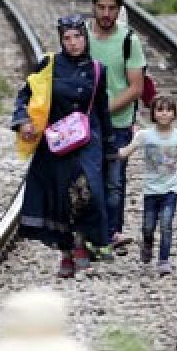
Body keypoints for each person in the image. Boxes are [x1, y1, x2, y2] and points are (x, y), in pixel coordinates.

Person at [12, 14, 115, 277]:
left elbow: (102, 110)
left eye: (78, 37)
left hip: (87, 138)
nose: (73, 43)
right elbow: (26, 94)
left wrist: (110, 146)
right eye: (67, 38)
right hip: (55, 139)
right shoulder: (49, 64)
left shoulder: (97, 69)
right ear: (61, 39)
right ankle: (68, 251)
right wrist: (23, 122)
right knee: (60, 196)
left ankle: (82, 243)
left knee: (87, 189)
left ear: (86, 37)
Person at [87, 0, 147, 254]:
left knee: (114, 180)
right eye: (101, 7)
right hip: (86, 123)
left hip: (118, 122)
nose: (106, 13)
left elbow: (136, 87)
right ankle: (93, 234)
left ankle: (112, 233)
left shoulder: (128, 41)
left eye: (112, 8)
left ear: (119, 9)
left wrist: (105, 108)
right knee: (88, 179)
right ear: (93, 8)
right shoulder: (82, 37)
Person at [118, 96, 177, 274]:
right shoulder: (145, 135)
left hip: (172, 188)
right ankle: (147, 244)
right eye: (160, 110)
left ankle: (163, 260)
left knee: (166, 223)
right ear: (153, 113)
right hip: (151, 188)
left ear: (174, 114)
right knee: (148, 225)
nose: (164, 114)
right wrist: (111, 151)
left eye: (168, 110)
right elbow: (126, 151)